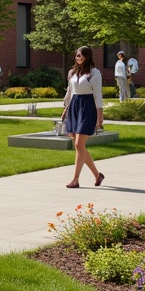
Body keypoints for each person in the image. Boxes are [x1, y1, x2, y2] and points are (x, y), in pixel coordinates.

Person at [63, 46, 105, 188]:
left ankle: (75, 179)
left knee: (78, 145)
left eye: (80, 55)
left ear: (87, 56)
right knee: (79, 146)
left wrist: (100, 114)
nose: (77, 57)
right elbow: (70, 91)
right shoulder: (72, 72)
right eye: (76, 55)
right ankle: (97, 175)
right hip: (74, 106)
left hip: (88, 107)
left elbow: (98, 94)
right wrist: (65, 108)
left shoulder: (95, 73)